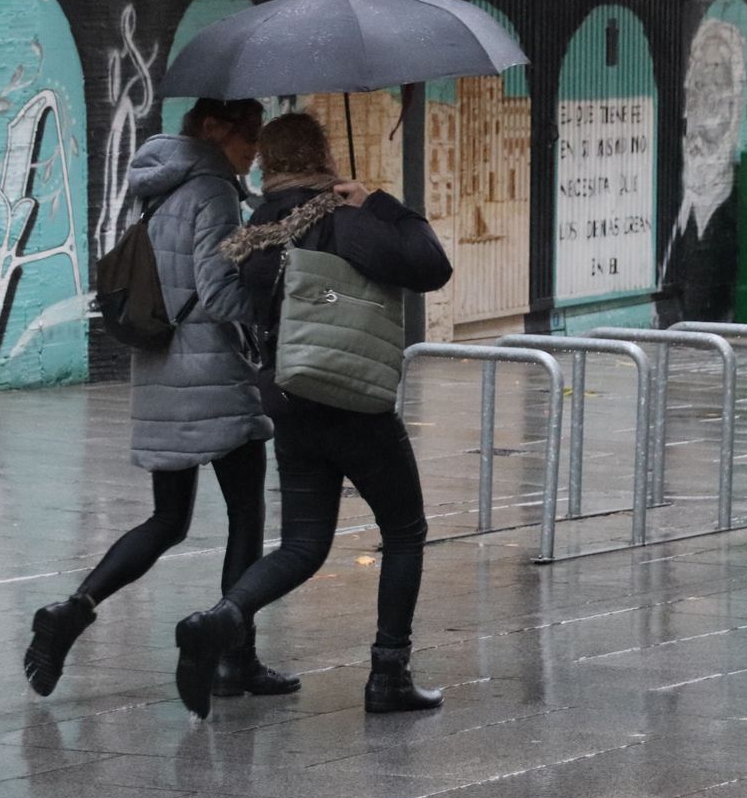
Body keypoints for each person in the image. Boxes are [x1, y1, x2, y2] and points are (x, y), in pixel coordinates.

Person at [170, 111, 453, 719]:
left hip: (291, 400)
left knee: (303, 543)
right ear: (321, 153)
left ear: (268, 163)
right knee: (404, 531)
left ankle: (222, 618)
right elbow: (430, 266)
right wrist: (377, 202)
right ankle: (388, 676)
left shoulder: (259, 226)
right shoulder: (340, 216)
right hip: (355, 399)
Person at [23, 98, 299, 701]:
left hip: (161, 371)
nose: (253, 147)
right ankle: (235, 660)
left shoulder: (160, 186)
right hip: (215, 377)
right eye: (247, 134)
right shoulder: (214, 193)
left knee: (168, 519)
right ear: (213, 130)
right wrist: (275, 304)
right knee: (247, 516)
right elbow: (218, 294)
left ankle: (72, 610)